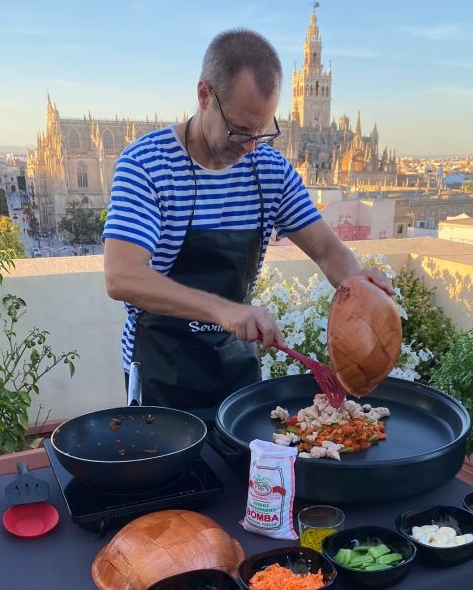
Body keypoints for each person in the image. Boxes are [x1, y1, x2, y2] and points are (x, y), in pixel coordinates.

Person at [102, 28, 392, 411]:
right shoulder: (145, 164)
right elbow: (122, 277)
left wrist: (357, 286)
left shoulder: (270, 170)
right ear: (204, 95)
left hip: (234, 370)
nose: (251, 146)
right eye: (239, 129)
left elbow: (326, 250)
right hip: (160, 373)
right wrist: (224, 309)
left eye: (262, 131)